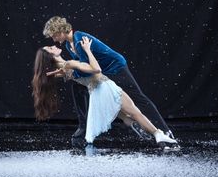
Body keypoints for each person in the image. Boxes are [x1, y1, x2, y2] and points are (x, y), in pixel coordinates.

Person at [43, 16, 179, 147]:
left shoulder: (79, 39)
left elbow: (88, 68)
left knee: (139, 99)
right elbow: (85, 67)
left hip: (115, 67)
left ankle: (165, 131)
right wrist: (68, 73)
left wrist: (70, 71)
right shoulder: (69, 45)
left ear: (60, 30)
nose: (54, 39)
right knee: (90, 92)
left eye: (54, 35)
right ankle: (131, 123)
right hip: (103, 72)